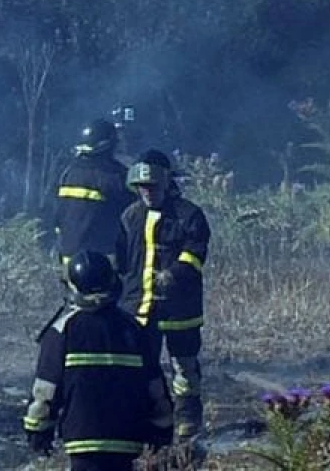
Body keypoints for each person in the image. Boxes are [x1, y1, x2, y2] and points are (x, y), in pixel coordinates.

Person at [23, 250, 174, 469]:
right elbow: (155, 388)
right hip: (126, 440)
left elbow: (45, 390)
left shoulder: (63, 331)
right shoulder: (132, 329)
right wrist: (162, 429)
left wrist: (38, 430)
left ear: (73, 289)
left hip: (82, 442)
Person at [116, 149, 212, 446]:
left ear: (167, 183)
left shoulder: (188, 215)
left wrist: (175, 273)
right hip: (139, 310)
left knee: (184, 367)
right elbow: (122, 262)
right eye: (142, 187)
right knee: (144, 369)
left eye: (153, 186)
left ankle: (188, 422)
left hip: (179, 311)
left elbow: (196, 253)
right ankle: (153, 425)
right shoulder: (130, 216)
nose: (148, 192)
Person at [54, 118, 132, 268]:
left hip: (68, 259)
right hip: (100, 262)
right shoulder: (115, 177)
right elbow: (133, 217)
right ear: (109, 146)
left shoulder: (67, 173)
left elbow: (59, 217)